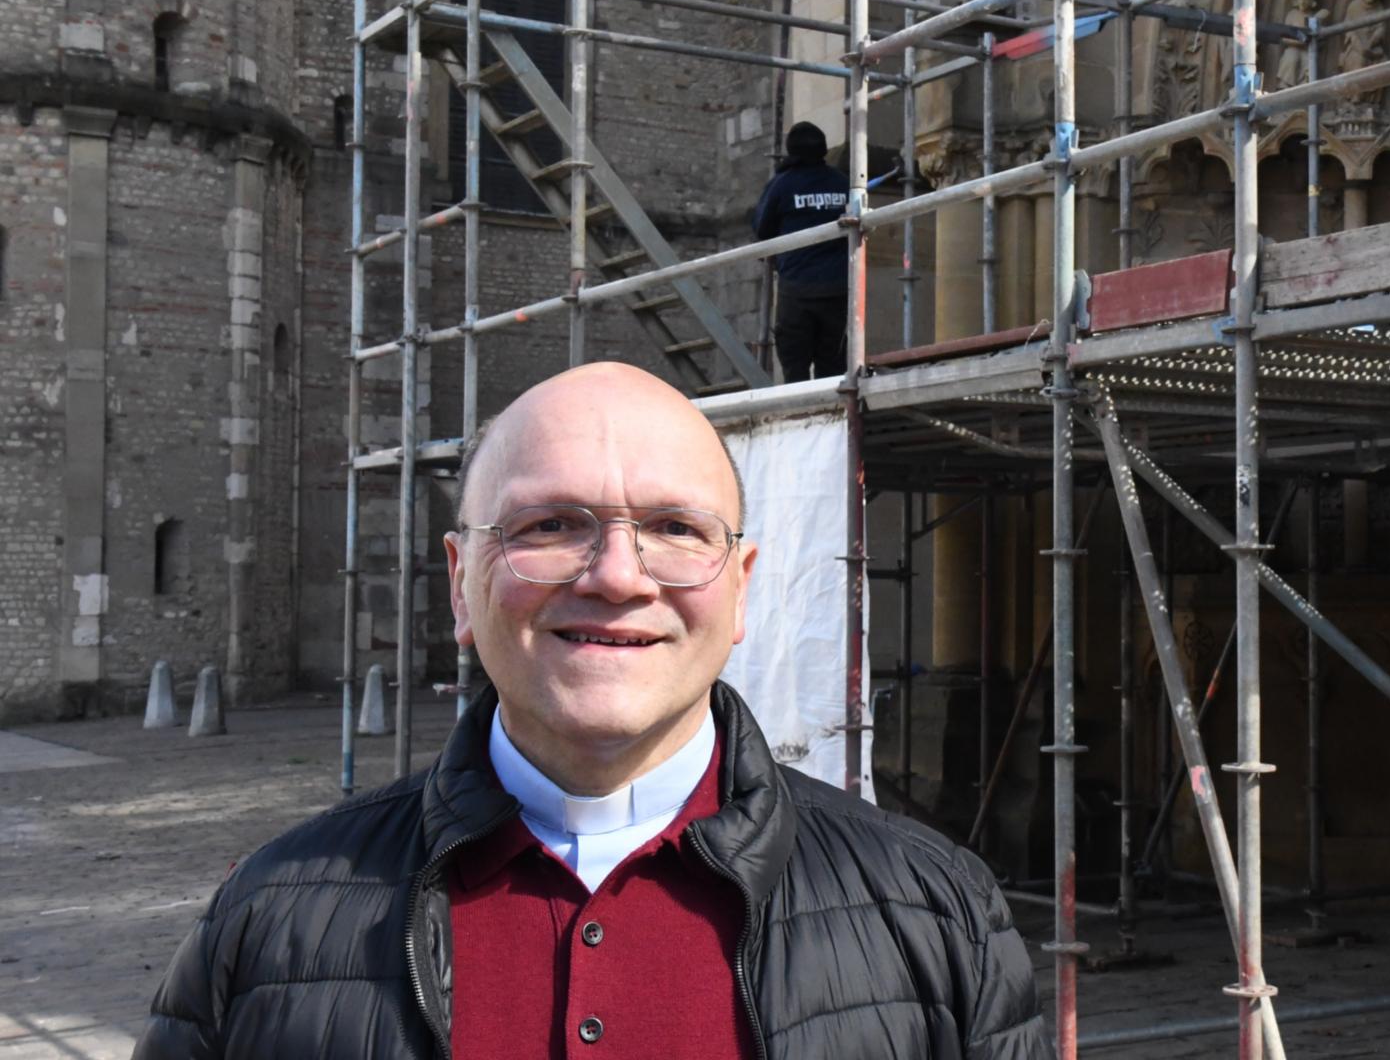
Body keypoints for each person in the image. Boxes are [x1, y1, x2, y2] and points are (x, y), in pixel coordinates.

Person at [133, 362, 1050, 1060]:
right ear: (460, 583)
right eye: (550, 525)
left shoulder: (936, 912)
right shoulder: (270, 920)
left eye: (675, 529)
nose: (616, 576)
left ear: (739, 590)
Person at [751, 121, 850, 382]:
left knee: (795, 369)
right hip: (838, 289)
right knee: (834, 369)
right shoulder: (842, 183)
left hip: (797, 289)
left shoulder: (782, 184)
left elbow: (762, 228)